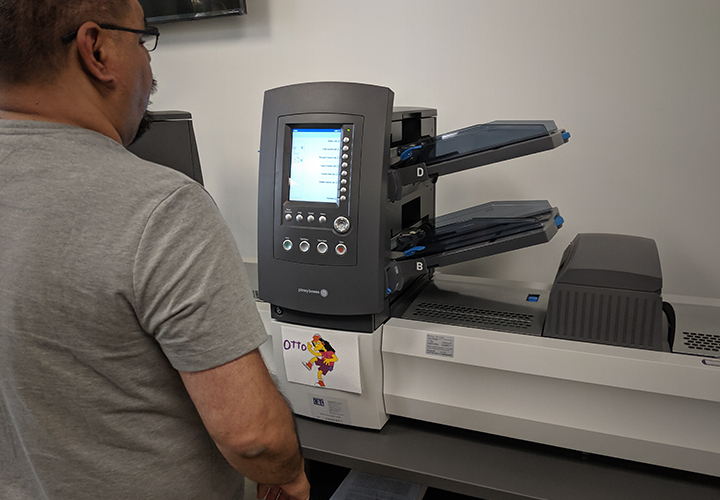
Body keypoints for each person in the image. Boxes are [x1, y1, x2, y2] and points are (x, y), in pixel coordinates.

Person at [0, 1, 310, 499]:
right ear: (97, 50)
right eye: (142, 42)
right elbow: (256, 440)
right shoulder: (161, 208)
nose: (149, 66)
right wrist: (289, 474)